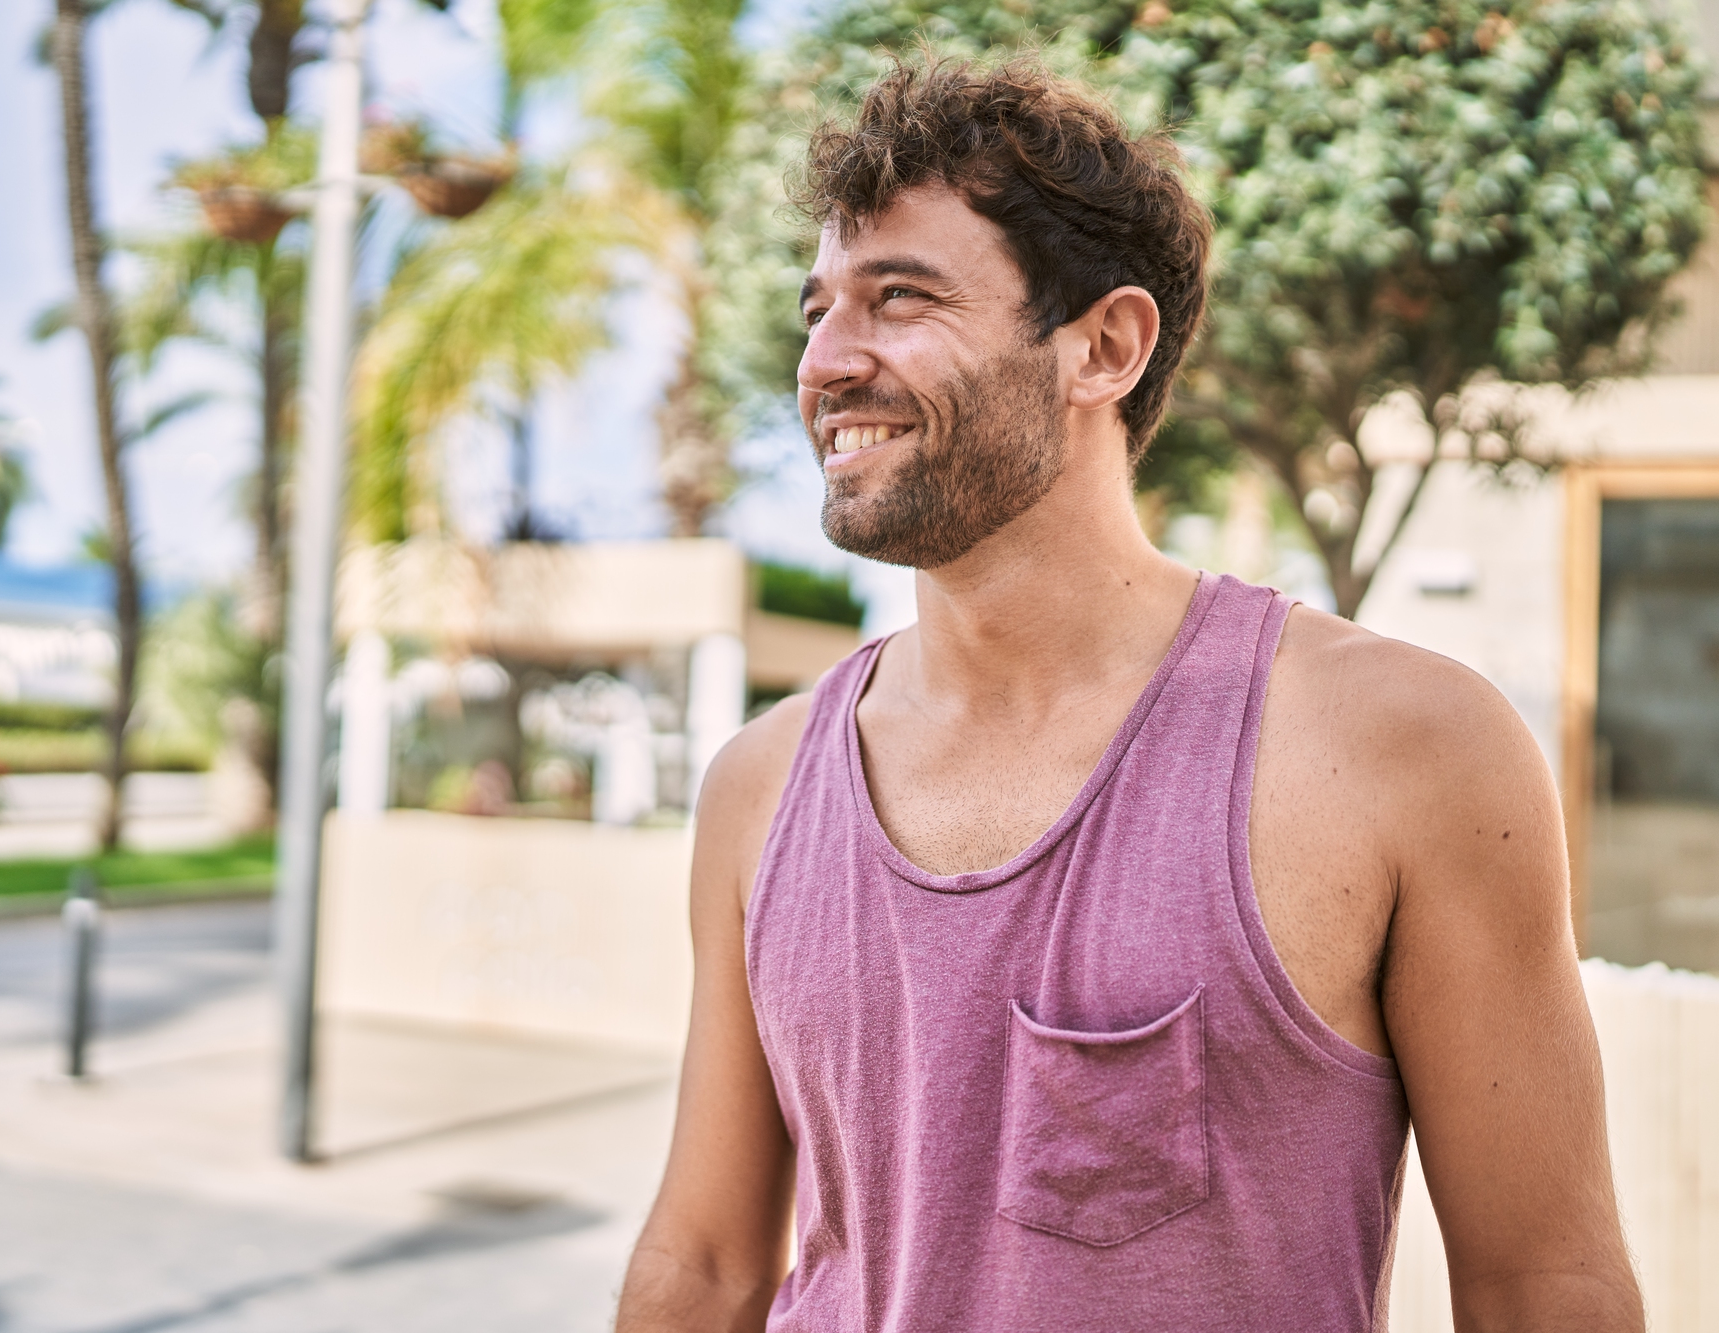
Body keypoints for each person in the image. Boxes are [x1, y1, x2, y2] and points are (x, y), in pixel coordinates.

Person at [614, 56, 1640, 1333]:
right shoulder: (758, 786)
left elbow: (1541, 1284)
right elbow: (703, 1261)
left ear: (1102, 345)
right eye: (815, 306)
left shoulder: (1402, 749)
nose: (825, 360)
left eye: (900, 298)